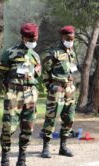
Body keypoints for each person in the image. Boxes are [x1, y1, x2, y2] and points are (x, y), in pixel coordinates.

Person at [0, 23, 41, 166]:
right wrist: (9, 89)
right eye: (30, 38)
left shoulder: (35, 56)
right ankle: (5, 162)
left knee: (27, 129)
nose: (32, 41)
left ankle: (21, 162)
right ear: (23, 37)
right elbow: (1, 73)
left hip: (30, 95)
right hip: (14, 95)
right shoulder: (10, 53)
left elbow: (37, 74)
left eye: (34, 38)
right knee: (8, 128)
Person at [40, 25, 79, 158]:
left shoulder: (71, 53)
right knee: (51, 118)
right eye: (68, 38)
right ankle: (46, 147)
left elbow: (71, 70)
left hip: (70, 89)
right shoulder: (54, 53)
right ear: (62, 37)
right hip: (57, 89)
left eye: (72, 38)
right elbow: (45, 72)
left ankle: (63, 146)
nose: (71, 40)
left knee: (69, 118)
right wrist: (50, 87)